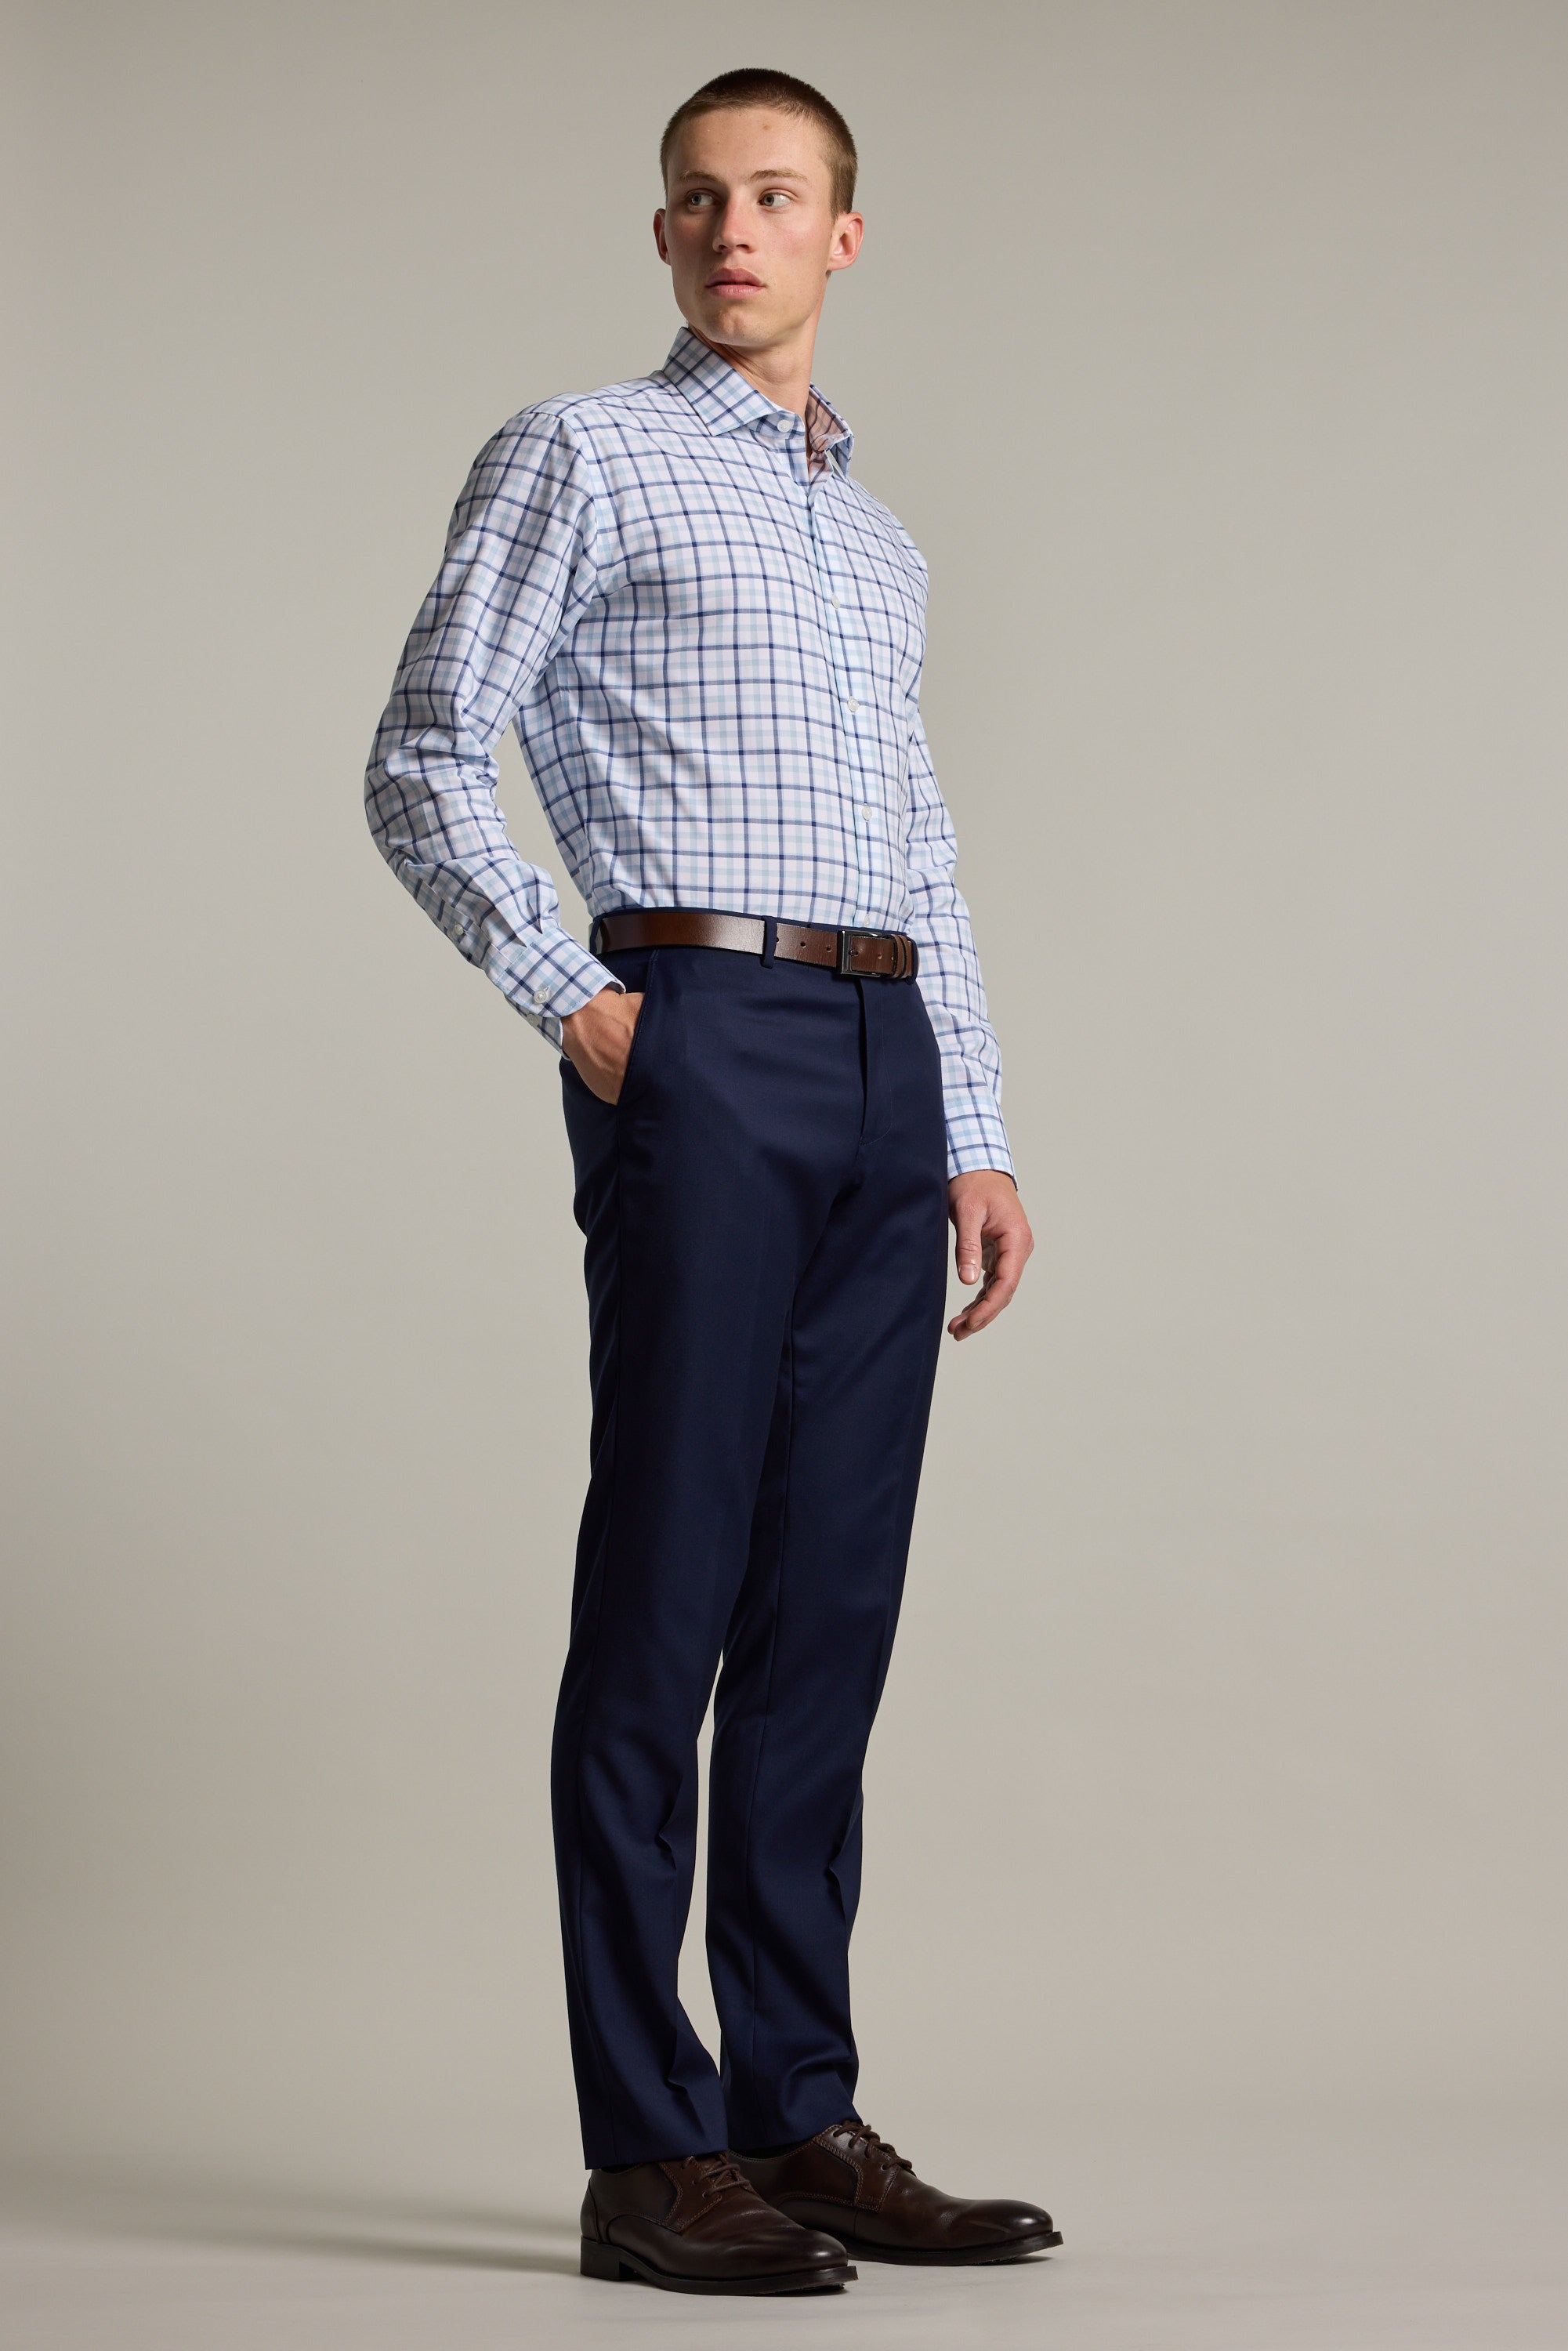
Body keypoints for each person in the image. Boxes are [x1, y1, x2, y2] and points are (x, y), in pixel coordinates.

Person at [366, 65, 1059, 2297]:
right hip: (700, 1028)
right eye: (697, 199)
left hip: (878, 1057)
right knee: (664, 1596)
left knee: (827, 1611)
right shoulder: (579, 452)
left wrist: (971, 1125)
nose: (732, 230)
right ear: (661, 235)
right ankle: (647, 2148)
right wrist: (583, 1007)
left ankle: (793, 2106)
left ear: (843, 233)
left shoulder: (883, 542)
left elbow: (921, 848)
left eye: (774, 196)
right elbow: (419, 752)